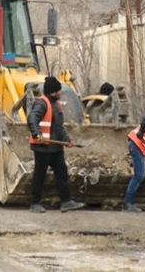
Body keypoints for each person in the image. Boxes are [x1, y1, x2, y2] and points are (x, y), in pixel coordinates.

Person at [27, 76, 85, 213]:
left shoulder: (57, 105)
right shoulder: (42, 103)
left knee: (62, 172)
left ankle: (65, 202)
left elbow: (59, 127)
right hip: (42, 147)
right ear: (53, 92)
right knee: (39, 175)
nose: (60, 93)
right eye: (58, 91)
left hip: (55, 147)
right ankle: (34, 203)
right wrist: (37, 134)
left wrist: (66, 140)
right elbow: (32, 119)